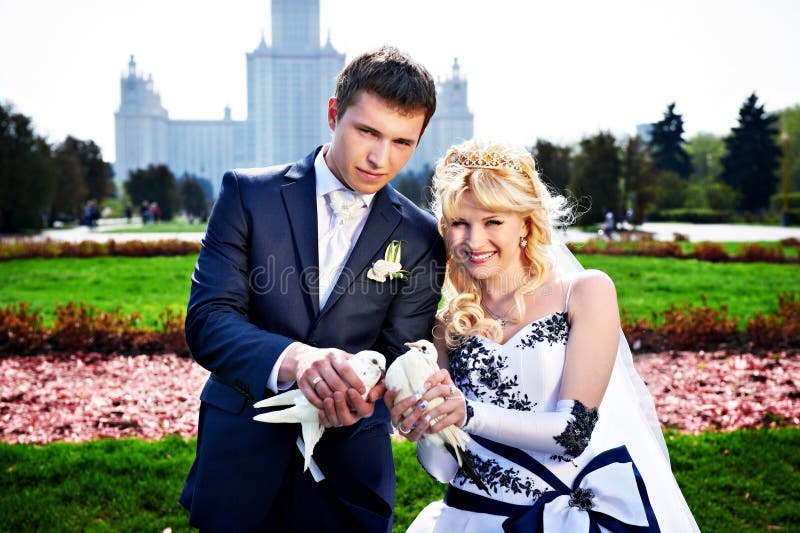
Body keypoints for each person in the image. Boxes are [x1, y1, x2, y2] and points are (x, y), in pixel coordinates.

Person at [179, 46, 445, 532]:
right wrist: (299, 361)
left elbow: (401, 350)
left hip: (349, 475)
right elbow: (209, 321)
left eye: (402, 142)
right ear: (332, 114)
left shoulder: (421, 236)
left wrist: (368, 395)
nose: (379, 158)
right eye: (367, 131)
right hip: (240, 460)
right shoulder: (247, 194)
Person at [386, 140, 699, 531]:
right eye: (460, 224)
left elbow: (573, 433)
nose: (473, 241)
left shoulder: (584, 293)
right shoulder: (447, 325)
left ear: (526, 224)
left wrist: (467, 412)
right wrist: (425, 430)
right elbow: (445, 469)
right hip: (465, 518)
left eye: (493, 222)